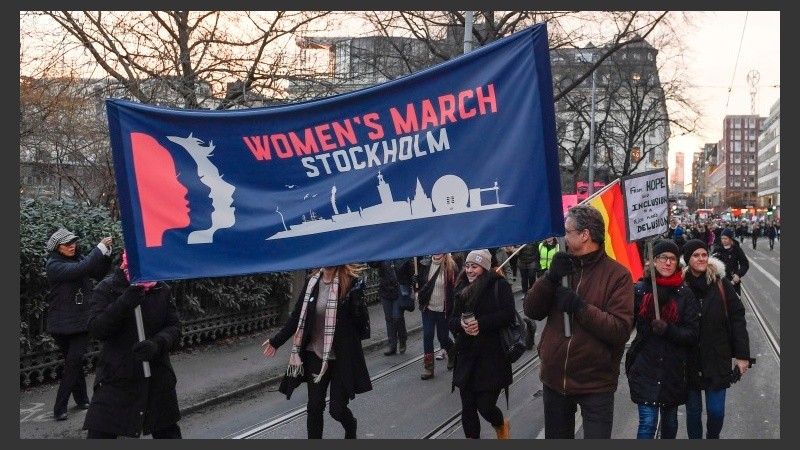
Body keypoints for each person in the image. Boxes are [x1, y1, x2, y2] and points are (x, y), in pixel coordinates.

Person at [523, 204, 634, 439]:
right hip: (555, 379)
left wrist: (580, 307)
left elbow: (620, 330)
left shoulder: (618, 275)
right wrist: (550, 277)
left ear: (585, 235)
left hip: (595, 383)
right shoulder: (562, 268)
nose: (563, 235)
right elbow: (531, 310)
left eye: (568, 230)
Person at [262, 265, 372, 439]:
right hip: (316, 354)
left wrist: (357, 299)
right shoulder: (311, 283)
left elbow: (360, 324)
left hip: (341, 357)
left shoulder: (348, 284)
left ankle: (351, 425)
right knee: (314, 407)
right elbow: (298, 316)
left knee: (337, 410)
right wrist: (276, 341)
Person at [83, 250, 182, 438]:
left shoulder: (161, 289)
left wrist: (157, 343)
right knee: (100, 434)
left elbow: (175, 327)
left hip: (157, 378)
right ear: (125, 261)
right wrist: (124, 303)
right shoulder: (107, 288)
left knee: (167, 433)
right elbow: (97, 329)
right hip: (116, 378)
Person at [626, 240, 699, 439]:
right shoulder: (640, 290)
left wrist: (668, 330)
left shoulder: (685, 294)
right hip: (646, 367)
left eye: (673, 259)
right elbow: (625, 324)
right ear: (654, 261)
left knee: (670, 423)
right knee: (647, 424)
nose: (668, 262)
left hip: (673, 371)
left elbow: (692, 334)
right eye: (663, 258)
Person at [681, 239, 752, 439]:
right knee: (693, 413)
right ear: (688, 259)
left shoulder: (721, 284)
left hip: (717, 359)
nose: (702, 258)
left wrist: (742, 356)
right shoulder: (681, 285)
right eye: (696, 255)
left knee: (716, 412)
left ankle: (712, 437)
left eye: (704, 254)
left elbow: (738, 318)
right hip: (689, 360)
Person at [44, 228, 113, 421]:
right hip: (60, 324)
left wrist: (106, 255)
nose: (72, 246)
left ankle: (60, 407)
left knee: (73, 362)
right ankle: (82, 399)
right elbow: (80, 269)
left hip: (82, 322)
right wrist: (99, 248)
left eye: (73, 242)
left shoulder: (78, 259)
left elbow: (98, 273)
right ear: (57, 248)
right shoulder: (54, 264)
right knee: (72, 363)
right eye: (67, 244)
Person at [448, 249, 515, 439]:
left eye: (474, 266)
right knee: (468, 406)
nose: (469, 270)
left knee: (485, 406)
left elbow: (508, 314)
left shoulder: (498, 285)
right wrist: (460, 325)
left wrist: (482, 323)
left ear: (484, 268)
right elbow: (451, 320)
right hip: (467, 356)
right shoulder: (460, 287)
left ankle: (501, 425)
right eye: (468, 266)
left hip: (492, 358)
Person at [416, 253, 459, 379]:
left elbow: (456, 287)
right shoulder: (424, 264)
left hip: (444, 310)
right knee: (428, 335)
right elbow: (422, 283)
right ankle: (429, 368)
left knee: (443, 338)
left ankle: (452, 353)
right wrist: (415, 281)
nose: (437, 252)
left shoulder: (451, 267)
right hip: (428, 308)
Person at [367, 258, 414, 355]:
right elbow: (373, 263)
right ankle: (392, 345)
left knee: (397, 317)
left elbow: (410, 272)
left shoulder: (403, 255)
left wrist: (411, 287)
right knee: (389, 319)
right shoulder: (383, 255)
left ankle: (402, 340)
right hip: (386, 290)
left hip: (399, 291)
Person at [711, 228, 749, 296]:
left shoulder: (737, 249)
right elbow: (711, 262)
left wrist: (738, 274)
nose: (723, 240)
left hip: (733, 281)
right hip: (720, 281)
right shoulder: (718, 249)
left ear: (730, 239)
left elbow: (745, 264)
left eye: (725, 238)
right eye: (722, 238)